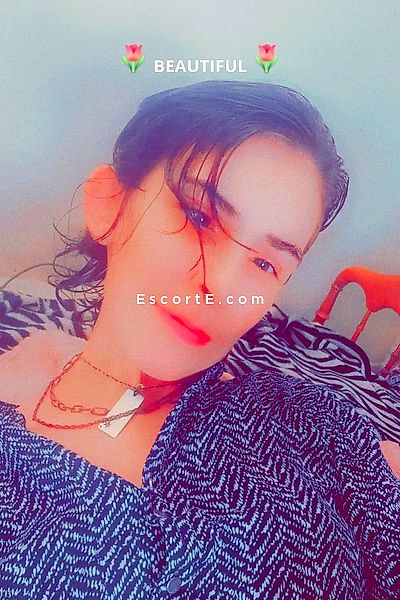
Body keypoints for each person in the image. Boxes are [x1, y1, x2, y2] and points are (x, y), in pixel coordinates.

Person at [0, 79, 398, 599]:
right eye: (198, 217)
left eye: (265, 263)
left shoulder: (307, 417)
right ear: (109, 206)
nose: (222, 286)